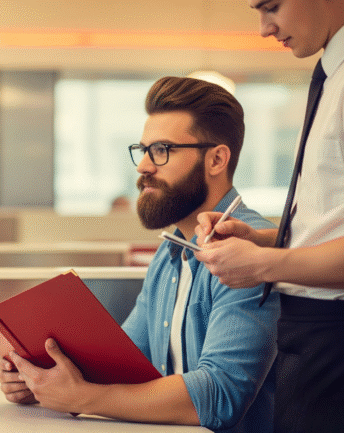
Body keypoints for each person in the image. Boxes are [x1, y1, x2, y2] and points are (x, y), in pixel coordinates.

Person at [0, 76, 280, 432]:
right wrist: (40, 379)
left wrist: (81, 398)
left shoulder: (246, 252)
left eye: (161, 150)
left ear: (216, 160)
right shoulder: (171, 250)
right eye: (143, 150)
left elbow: (220, 397)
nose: (143, 166)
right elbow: (123, 360)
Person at [193, 1, 344, 432]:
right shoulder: (332, 75)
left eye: (272, 6)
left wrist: (264, 264)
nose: (263, 28)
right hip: (310, 336)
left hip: (333, 335)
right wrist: (265, 240)